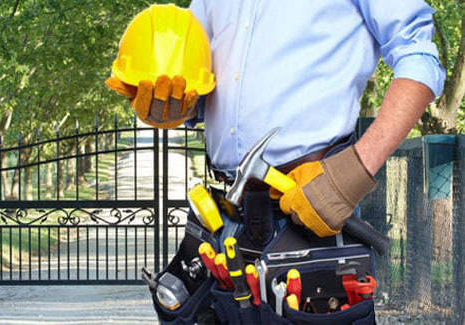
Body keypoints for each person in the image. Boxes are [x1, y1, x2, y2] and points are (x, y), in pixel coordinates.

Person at [106, 0, 445, 238]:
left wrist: (354, 172)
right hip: (227, 217)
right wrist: (176, 107)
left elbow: (419, 59)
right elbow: (203, 82)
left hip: (311, 204)